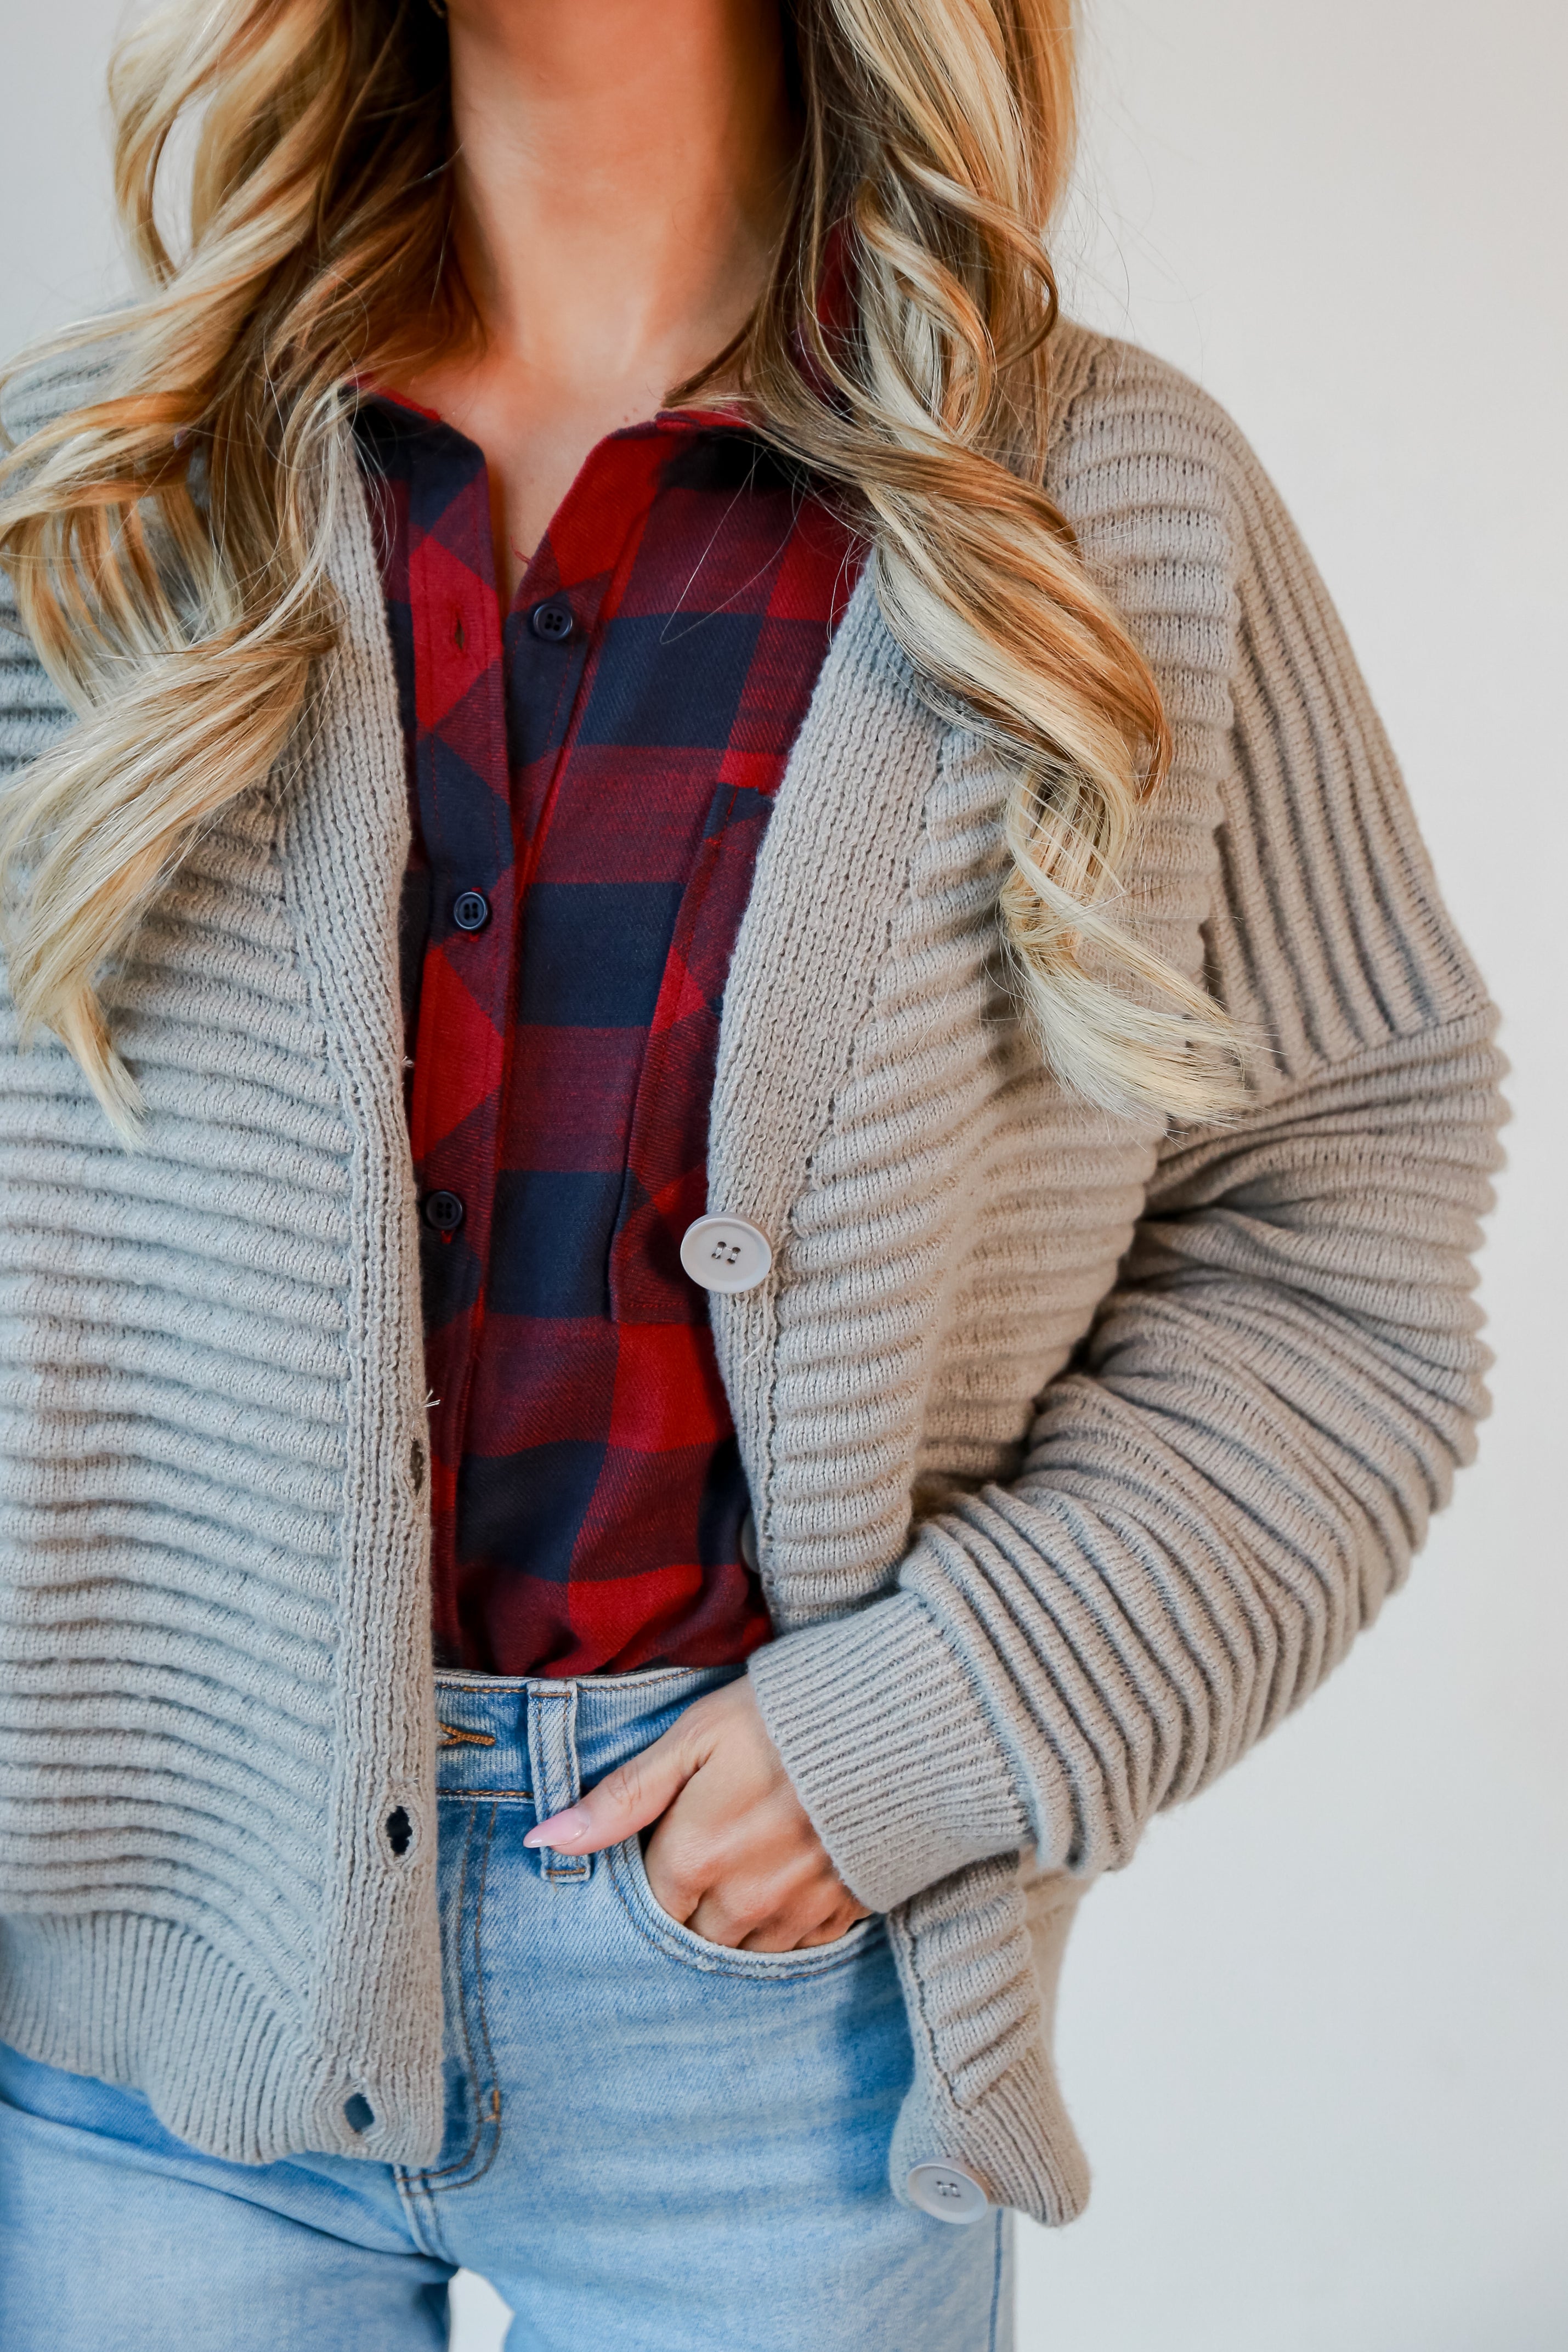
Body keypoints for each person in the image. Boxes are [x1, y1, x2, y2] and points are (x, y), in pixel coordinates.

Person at [0, 0, 1503, 2344]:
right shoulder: (97, 494)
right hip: (138, 2022)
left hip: (768, 2036)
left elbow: (1349, 1229)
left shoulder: (1101, 508)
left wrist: (939, 1712)